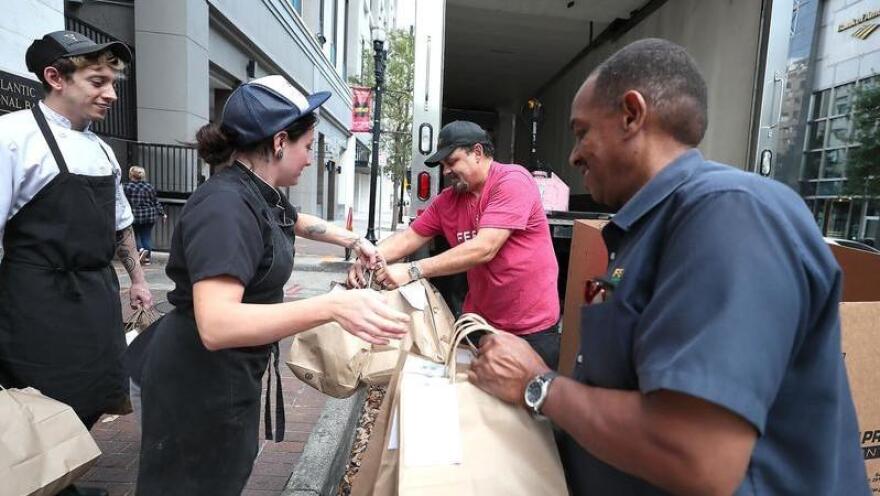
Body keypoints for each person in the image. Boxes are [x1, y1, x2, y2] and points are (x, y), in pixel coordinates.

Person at [469, 38, 869, 495]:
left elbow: (699, 454)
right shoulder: (648, 229)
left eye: (582, 133)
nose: (574, 154)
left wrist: (538, 386)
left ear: (632, 115)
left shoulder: (731, 215)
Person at [131, 75, 409, 496]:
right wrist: (333, 307)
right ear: (280, 141)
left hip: (230, 372)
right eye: (309, 146)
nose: (311, 158)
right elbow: (218, 323)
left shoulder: (259, 191)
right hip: (197, 380)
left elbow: (291, 221)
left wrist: (353, 240)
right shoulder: (225, 206)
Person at [0, 31, 152, 496]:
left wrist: (138, 280)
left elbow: (120, 225)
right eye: (97, 81)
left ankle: (57, 479)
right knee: (39, 400)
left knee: (95, 390)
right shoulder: (12, 137)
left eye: (112, 82)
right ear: (54, 78)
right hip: (35, 299)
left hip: (95, 294)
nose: (110, 93)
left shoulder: (102, 150)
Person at [347, 121, 561, 368]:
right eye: (443, 165)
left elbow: (485, 248)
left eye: (452, 162)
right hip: (480, 324)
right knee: (477, 403)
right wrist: (368, 257)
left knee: (528, 404)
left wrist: (412, 270)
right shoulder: (447, 201)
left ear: (477, 153)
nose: (446, 171)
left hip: (531, 329)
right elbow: (408, 238)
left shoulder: (512, 180)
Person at [123, 165, 166, 264]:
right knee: (146, 236)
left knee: (135, 236)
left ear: (131, 175)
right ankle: (147, 259)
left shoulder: (126, 187)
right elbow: (155, 201)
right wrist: (162, 213)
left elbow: (123, 202)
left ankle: (141, 250)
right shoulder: (149, 186)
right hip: (149, 216)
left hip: (134, 216)